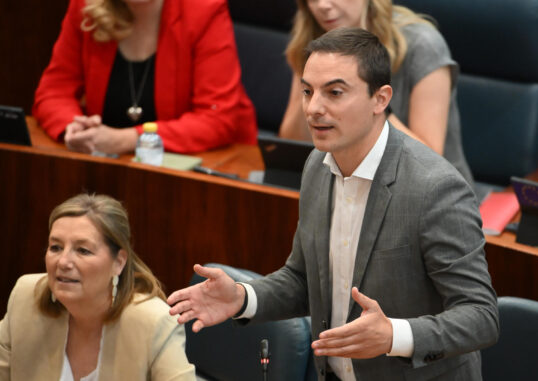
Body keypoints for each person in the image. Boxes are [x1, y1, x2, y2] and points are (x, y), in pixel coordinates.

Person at [169, 28, 498, 380]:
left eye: (334, 93)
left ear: (380, 98)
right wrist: (242, 297)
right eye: (308, 91)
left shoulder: (435, 188)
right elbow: (303, 279)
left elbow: (481, 315)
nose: (313, 108)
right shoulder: (316, 166)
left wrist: (395, 336)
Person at [277, 0, 474, 185]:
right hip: (347, 182)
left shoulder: (424, 44)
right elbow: (293, 141)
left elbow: (429, 158)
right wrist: (313, 91)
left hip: (429, 190)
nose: (322, 5)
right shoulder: (314, 42)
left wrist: (369, 106)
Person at [0, 194, 195, 380]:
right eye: (56, 247)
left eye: (83, 250)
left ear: (118, 262)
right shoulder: (25, 297)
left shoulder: (154, 322)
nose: (63, 262)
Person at [32, 0, 257, 155]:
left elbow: (217, 119)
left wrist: (127, 140)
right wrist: (75, 128)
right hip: (109, 168)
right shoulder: (88, 7)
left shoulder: (203, 9)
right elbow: (53, 92)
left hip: (207, 172)